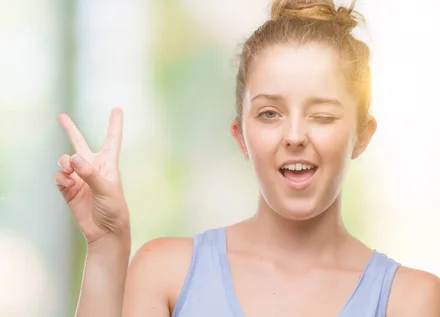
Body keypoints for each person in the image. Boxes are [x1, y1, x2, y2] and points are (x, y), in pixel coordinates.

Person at [54, 0, 440, 316]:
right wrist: (106, 245)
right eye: (270, 113)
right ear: (241, 136)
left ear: (362, 136)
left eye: (322, 115)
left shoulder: (410, 300)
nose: (294, 136)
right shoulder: (165, 273)